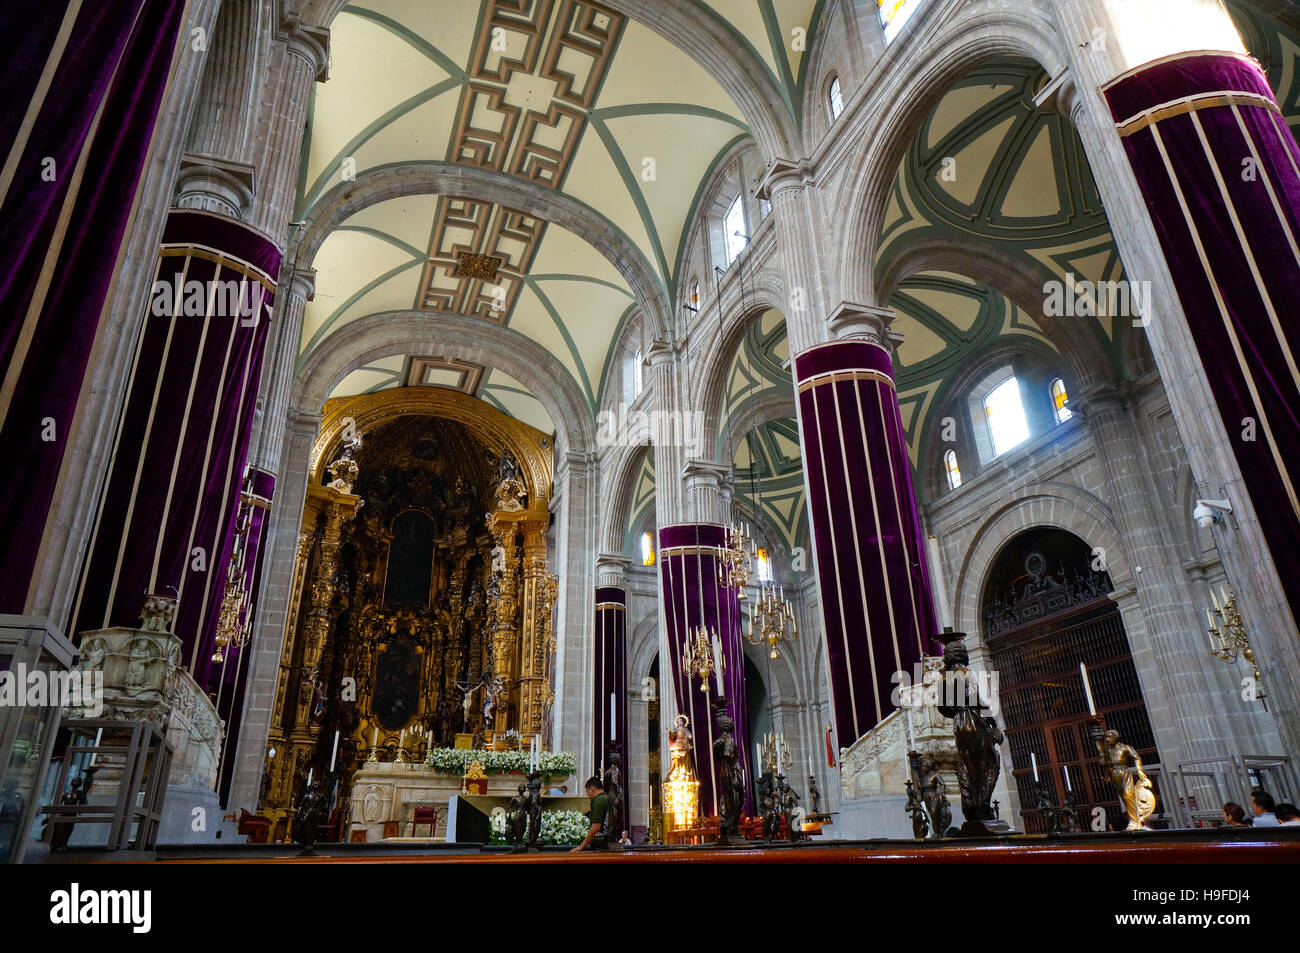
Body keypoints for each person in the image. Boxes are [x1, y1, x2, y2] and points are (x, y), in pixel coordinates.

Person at [571, 776, 608, 852]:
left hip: (602, 844)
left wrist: (580, 847)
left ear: (592, 789)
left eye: (587, 791)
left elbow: (596, 827)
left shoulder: (598, 801)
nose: (587, 795)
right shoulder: (606, 797)